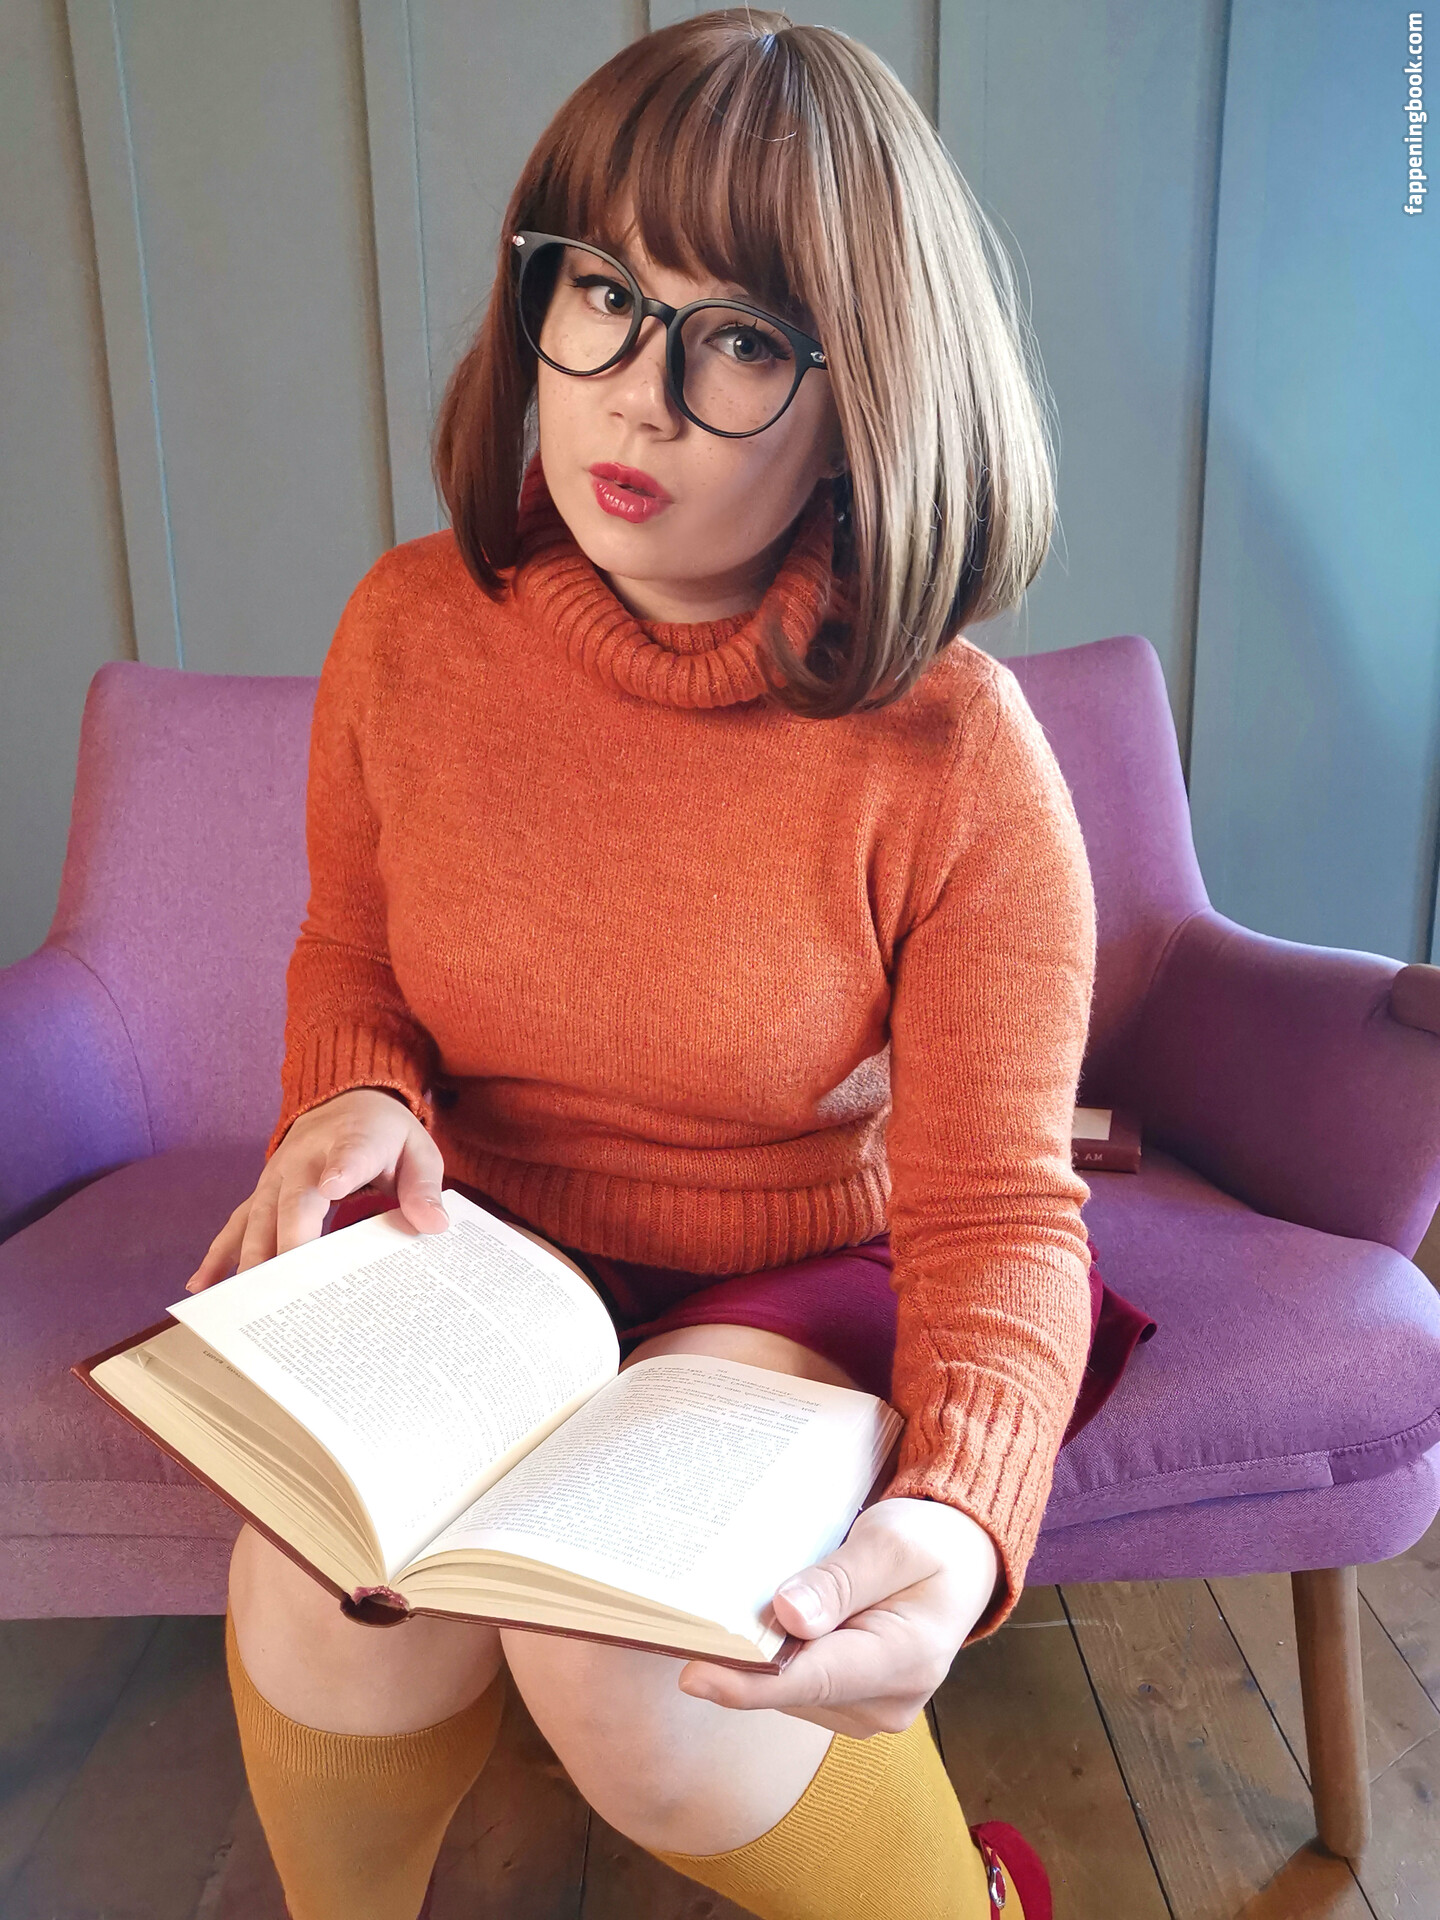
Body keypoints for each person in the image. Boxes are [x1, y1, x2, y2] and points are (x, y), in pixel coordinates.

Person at [184, 11, 1156, 1918]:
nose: (638, 396)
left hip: (797, 1270)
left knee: (635, 1661)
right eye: (606, 295)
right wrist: (354, 1093)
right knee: (317, 1590)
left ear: (870, 394)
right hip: (488, 1256)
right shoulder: (406, 631)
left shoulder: (960, 757)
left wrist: (965, 1521)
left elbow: (997, 1216)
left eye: (741, 339)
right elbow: (353, 952)